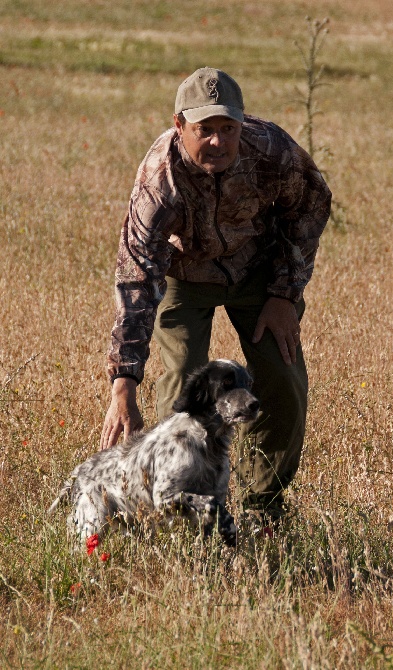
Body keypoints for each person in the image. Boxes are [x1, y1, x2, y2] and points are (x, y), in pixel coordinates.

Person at [100, 66, 331, 523]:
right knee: (184, 384)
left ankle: (264, 506)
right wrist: (123, 381)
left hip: (260, 271)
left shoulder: (272, 151)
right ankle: (181, 507)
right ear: (179, 125)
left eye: (228, 129)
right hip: (183, 277)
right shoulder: (158, 182)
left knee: (282, 380)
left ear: (242, 125)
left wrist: (285, 293)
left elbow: (311, 205)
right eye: (204, 130)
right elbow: (136, 277)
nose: (218, 142)